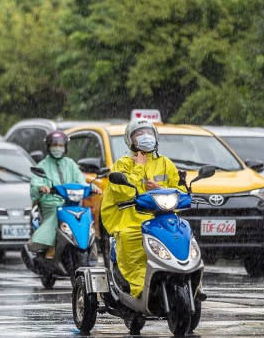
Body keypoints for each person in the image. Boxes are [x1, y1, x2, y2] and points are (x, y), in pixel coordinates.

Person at [100, 118, 185, 298]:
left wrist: (161, 190)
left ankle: (192, 286)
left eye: (149, 133)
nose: (146, 137)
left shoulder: (166, 163)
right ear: (130, 140)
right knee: (133, 254)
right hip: (130, 221)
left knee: (185, 241)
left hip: (162, 219)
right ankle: (140, 292)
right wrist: (139, 167)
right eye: (139, 134)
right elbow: (122, 192)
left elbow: (181, 190)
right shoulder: (123, 164)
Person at [29, 130, 99, 258]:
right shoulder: (43, 166)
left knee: (86, 219)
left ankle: (90, 247)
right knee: (56, 217)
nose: (57, 148)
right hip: (51, 205)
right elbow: (35, 183)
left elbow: (81, 181)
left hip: (72, 203)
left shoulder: (70, 164)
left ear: (65, 147)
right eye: (54, 145)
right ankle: (50, 246)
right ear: (48, 147)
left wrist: (92, 187)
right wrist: (41, 187)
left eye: (60, 145)